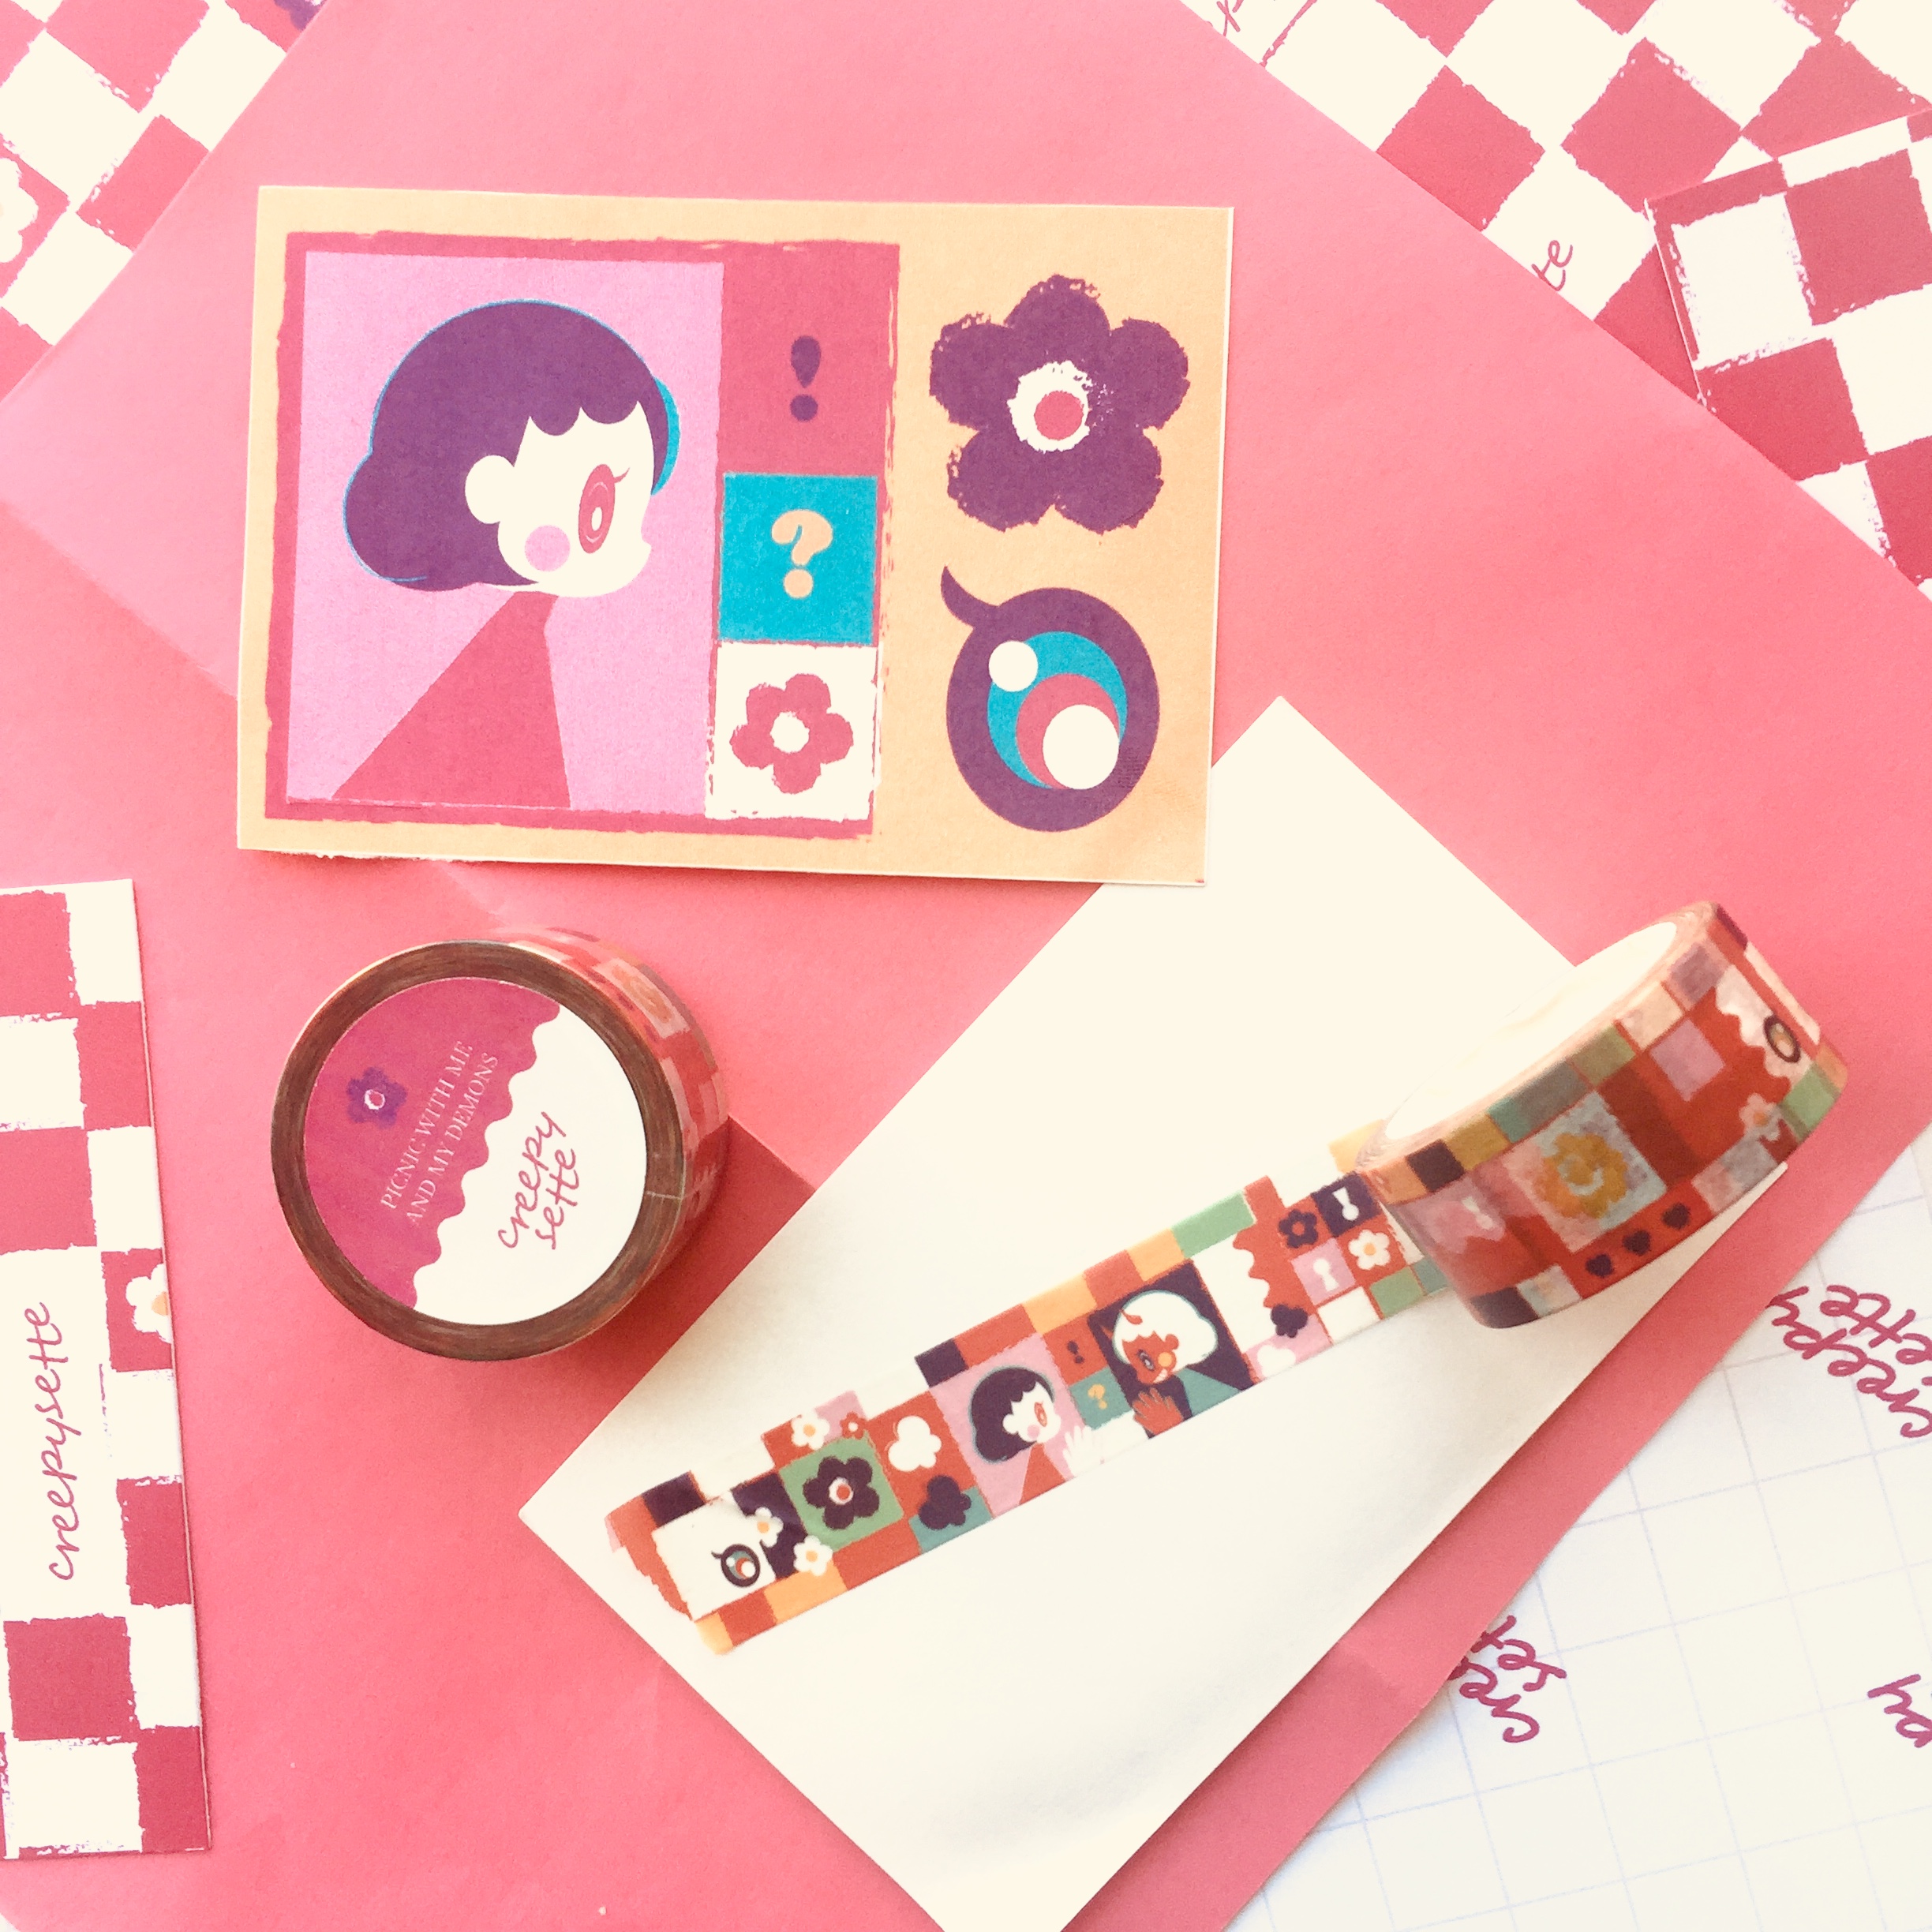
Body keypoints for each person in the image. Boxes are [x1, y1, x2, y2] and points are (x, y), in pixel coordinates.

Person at [335, 301, 673, 809]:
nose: (635, 548)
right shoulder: (492, 671)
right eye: (599, 508)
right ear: (489, 492)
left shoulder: (568, 646)